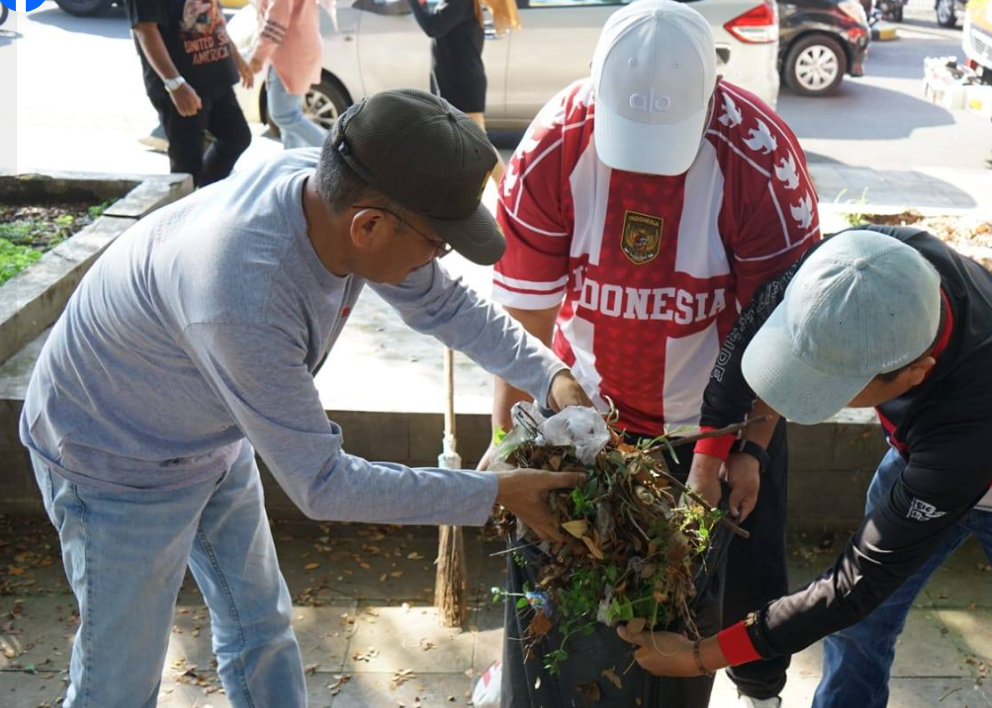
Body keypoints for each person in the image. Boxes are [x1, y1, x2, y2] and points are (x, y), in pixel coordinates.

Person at [20, 89, 594, 708]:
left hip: (211, 425)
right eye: (438, 243)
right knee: (118, 686)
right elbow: (324, 485)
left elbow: (443, 302)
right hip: (112, 458)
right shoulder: (247, 297)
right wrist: (496, 493)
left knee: (259, 626)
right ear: (369, 225)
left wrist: (549, 374)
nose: (438, 260)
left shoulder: (324, 186)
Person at [620, 226, 992, 708]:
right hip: (927, 458)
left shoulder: (986, 404)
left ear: (914, 372)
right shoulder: (858, 266)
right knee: (856, 638)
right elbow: (760, 329)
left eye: (833, 385)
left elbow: (854, 585)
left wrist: (698, 656)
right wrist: (720, 460)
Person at [489, 1, 821, 705]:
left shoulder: (761, 161)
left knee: (738, 578)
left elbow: (783, 336)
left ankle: (759, 688)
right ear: (594, 89)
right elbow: (518, 326)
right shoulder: (553, 147)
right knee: (561, 587)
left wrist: (742, 447)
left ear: (711, 97)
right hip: (587, 414)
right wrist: (512, 452)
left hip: (721, 407)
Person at [129, 0, 254, 187]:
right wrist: (175, 83)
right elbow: (145, 29)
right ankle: (186, 209)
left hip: (216, 74)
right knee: (187, 165)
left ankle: (205, 194)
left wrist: (236, 57)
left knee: (237, 137)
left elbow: (215, 16)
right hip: (184, 83)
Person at [404, 0, 514, 184]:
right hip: (452, 83)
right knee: (452, 143)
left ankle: (509, 189)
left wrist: (415, 3)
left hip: (463, 85)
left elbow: (433, 27)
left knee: (478, 145)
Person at [248, 0, 332, 149]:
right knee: (290, 122)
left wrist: (257, 57)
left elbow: (276, 20)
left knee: (284, 115)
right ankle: (295, 163)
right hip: (295, 51)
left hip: (290, 55)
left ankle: (334, 150)